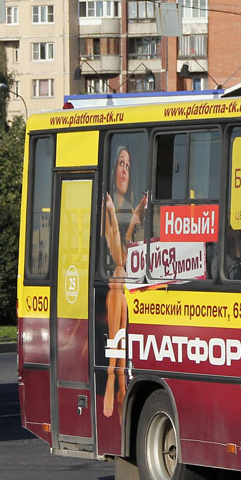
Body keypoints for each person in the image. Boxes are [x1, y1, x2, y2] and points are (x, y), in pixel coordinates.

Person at [102, 146, 148, 418]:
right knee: (118, 281)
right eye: (121, 163)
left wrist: (133, 221)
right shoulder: (105, 207)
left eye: (128, 167)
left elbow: (130, 251)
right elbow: (117, 255)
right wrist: (111, 214)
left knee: (121, 284)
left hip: (125, 282)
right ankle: (115, 381)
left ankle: (116, 380)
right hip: (113, 282)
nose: (124, 170)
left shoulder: (128, 209)